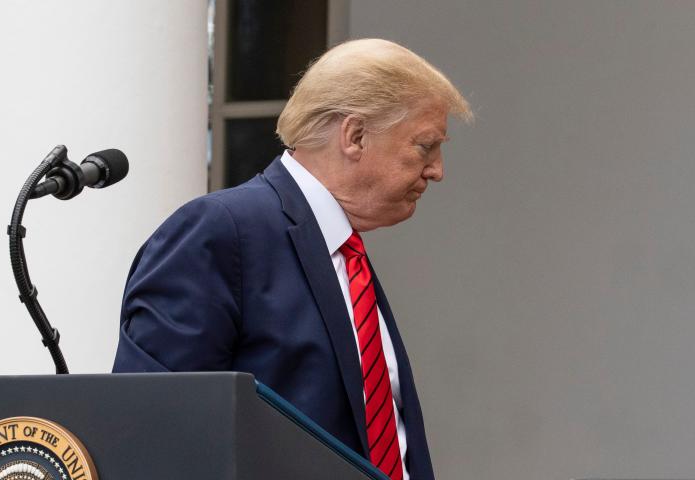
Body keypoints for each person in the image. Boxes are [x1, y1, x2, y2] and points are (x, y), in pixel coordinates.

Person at [113, 38, 472, 480]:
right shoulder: (220, 231)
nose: (437, 169)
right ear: (355, 136)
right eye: (425, 146)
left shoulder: (343, 251)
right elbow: (156, 431)